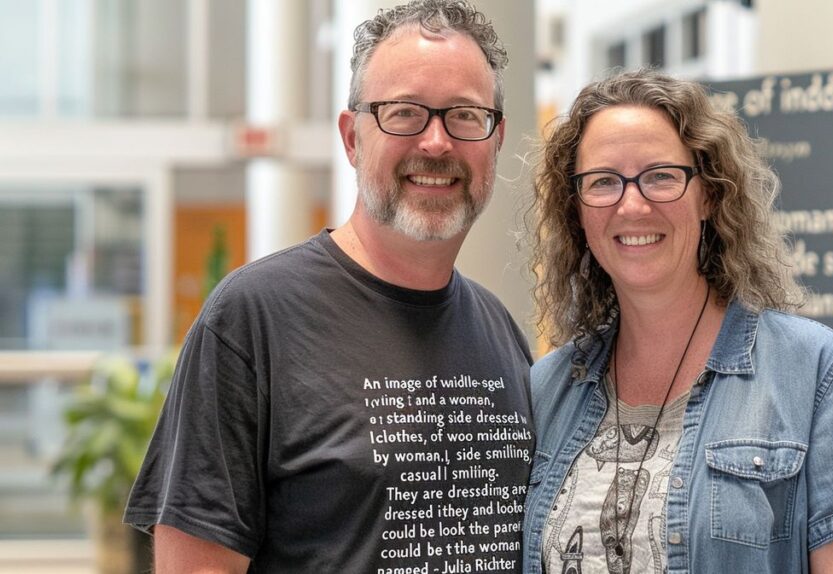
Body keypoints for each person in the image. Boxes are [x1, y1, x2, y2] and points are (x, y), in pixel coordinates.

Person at [125, 1, 534, 572]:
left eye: (464, 115)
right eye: (405, 113)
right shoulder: (253, 320)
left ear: (495, 140)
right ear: (351, 138)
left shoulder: (499, 331)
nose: (437, 143)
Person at [522, 69, 833, 573]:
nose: (632, 204)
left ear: (709, 195)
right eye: (604, 182)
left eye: (660, 176)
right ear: (577, 210)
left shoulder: (818, 374)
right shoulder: (550, 388)